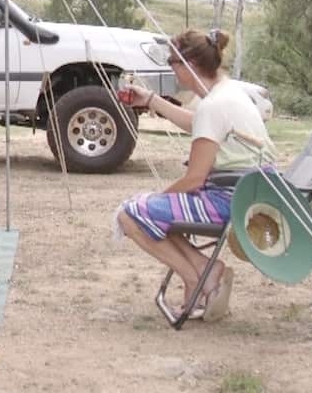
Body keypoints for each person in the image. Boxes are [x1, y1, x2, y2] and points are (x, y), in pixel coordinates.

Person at [116, 28, 270, 321]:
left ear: (190, 65)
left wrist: (156, 199)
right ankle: (205, 270)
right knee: (154, 210)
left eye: (172, 62)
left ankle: (196, 279)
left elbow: (194, 179)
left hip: (231, 200)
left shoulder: (213, 105)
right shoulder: (227, 92)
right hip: (250, 193)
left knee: (130, 215)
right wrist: (150, 100)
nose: (170, 68)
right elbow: (197, 122)